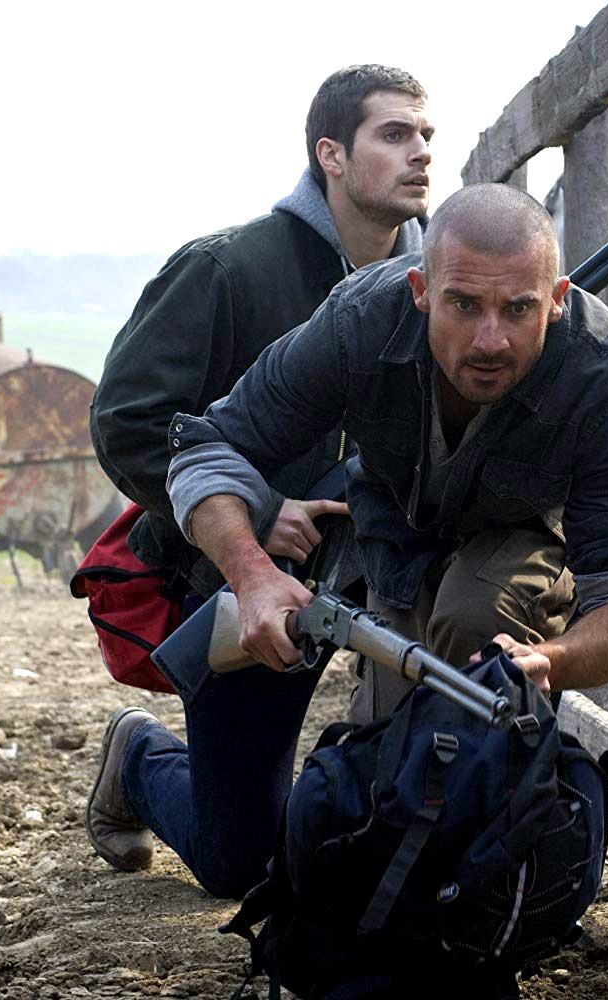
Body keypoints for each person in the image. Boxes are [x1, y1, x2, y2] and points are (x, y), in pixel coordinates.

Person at [87, 182, 608, 898]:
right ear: (419, 290)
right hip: (366, 546)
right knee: (249, 858)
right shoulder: (357, 318)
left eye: (518, 309)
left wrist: (546, 663)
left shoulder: (605, 375)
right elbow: (208, 445)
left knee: (450, 734)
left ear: (557, 298)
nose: (489, 339)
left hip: (514, 542)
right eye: (463, 304)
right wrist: (251, 575)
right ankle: (140, 756)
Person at [84, 64, 433, 894]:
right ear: (331, 156)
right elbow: (127, 422)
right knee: (240, 864)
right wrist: (258, 508)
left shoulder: (446, 289)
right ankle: (138, 757)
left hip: (393, 584)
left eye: (426, 136)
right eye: (394, 134)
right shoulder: (226, 270)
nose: (421, 153)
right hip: (250, 591)